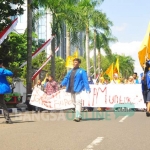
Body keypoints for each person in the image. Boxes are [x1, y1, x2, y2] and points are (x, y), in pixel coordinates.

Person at [0, 59, 13, 124]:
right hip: (1, 90)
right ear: (1, 64)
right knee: (3, 104)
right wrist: (4, 68)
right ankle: (8, 119)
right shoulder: (1, 70)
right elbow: (10, 73)